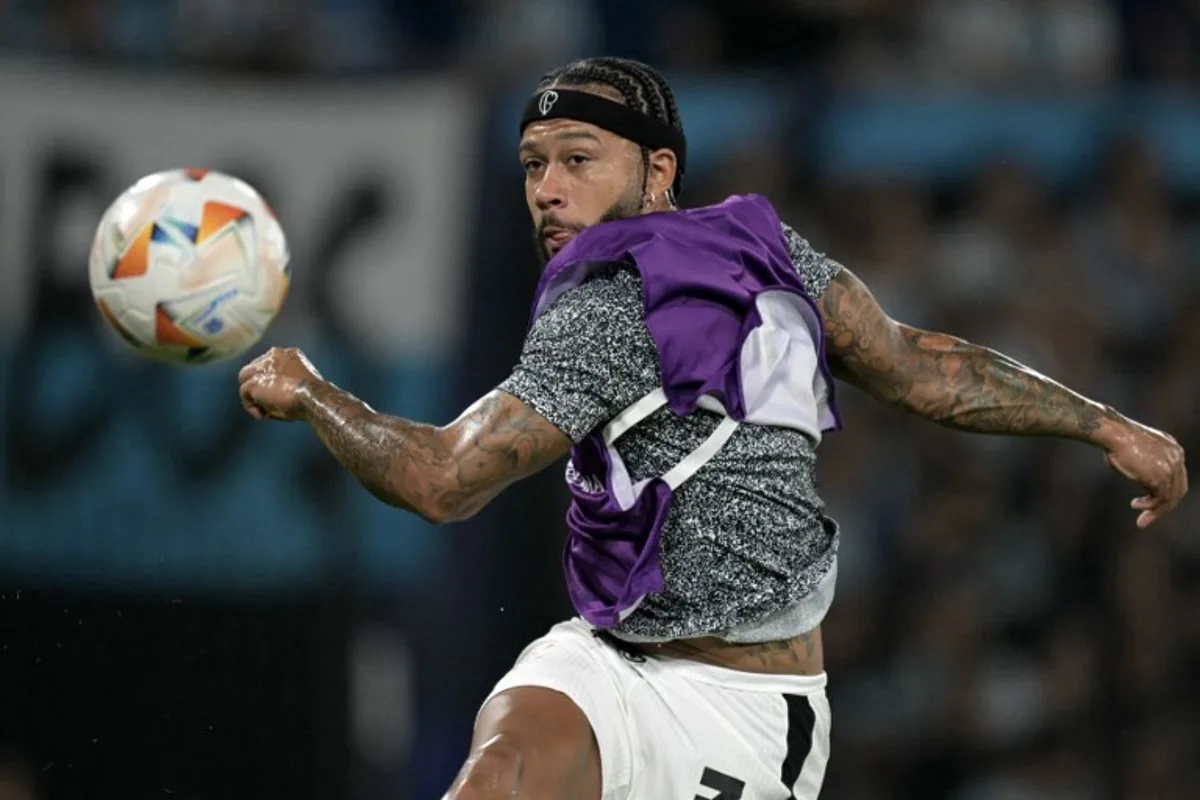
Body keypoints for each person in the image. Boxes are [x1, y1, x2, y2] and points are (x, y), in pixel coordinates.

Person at [236, 57, 1188, 800]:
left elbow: (442, 481)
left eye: (577, 159)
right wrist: (1107, 427)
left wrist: (313, 392)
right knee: (496, 780)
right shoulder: (764, 251)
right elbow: (917, 365)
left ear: (658, 172)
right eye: (533, 165)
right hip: (609, 661)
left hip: (745, 717)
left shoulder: (620, 302)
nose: (547, 190)